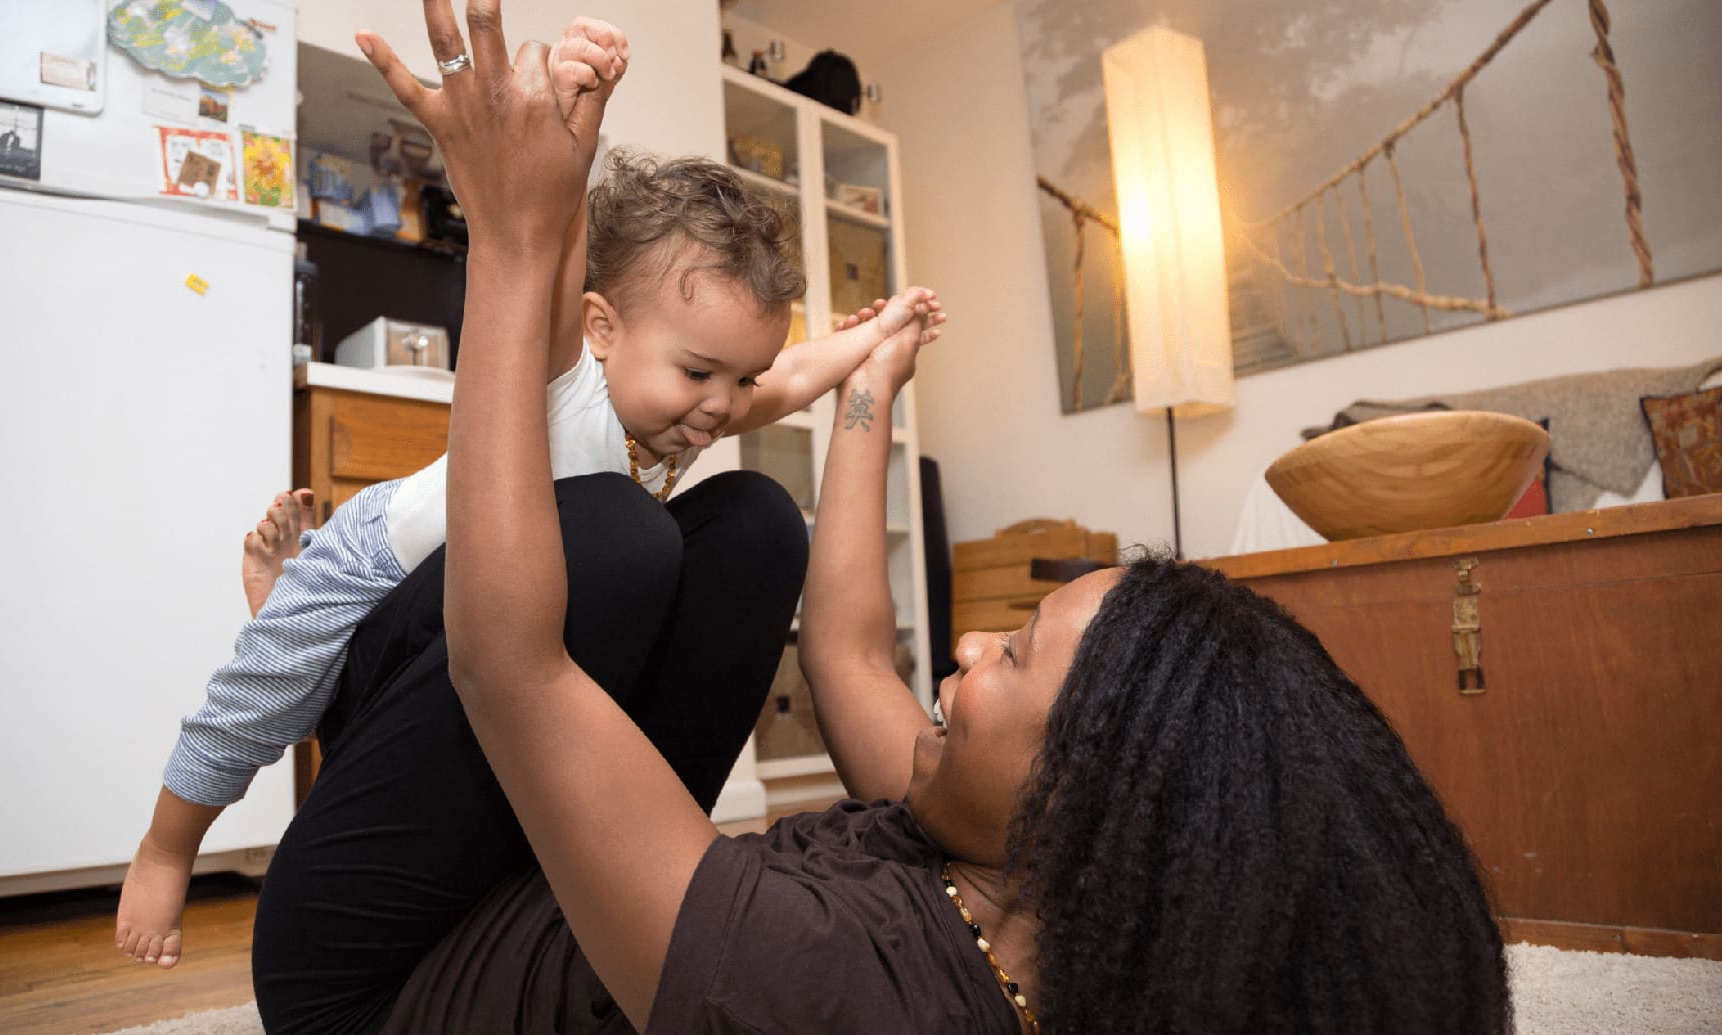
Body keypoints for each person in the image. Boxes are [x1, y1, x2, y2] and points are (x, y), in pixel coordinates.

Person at [253, 4, 1513, 1033]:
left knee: (619, 539)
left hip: (366, 983)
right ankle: (348, 656)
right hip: (522, 874)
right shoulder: (1016, 875)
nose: (964, 649)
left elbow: (509, 665)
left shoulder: (836, 987)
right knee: (751, 525)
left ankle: (325, 657)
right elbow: (850, 650)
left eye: (1011, 656)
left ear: (1086, 798)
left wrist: (518, 243)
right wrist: (867, 397)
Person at [113, 15, 946, 970]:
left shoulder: (685, 412)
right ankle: (166, 842)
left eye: (738, 379)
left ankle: (323, 647)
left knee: (661, 540)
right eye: (699, 372)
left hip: (480, 610)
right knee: (263, 692)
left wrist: (873, 343)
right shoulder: (566, 375)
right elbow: (542, 242)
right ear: (599, 326)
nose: (723, 408)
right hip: (377, 556)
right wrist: (578, 120)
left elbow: (792, 379)